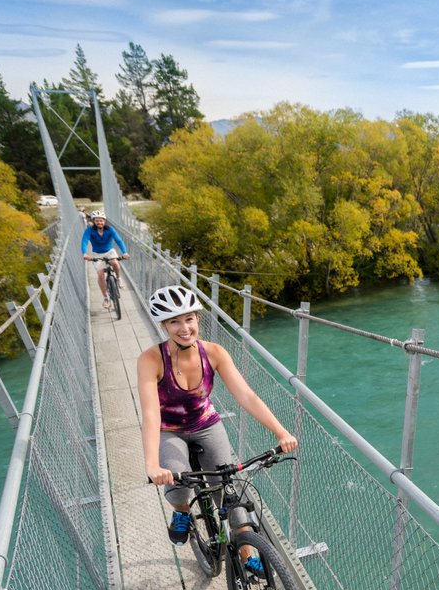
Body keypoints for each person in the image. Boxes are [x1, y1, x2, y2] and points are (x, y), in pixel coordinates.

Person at [138, 284, 298, 570]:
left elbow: (246, 396)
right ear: (164, 325)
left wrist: (281, 431)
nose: (184, 328)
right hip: (169, 429)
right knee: (179, 485)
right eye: (174, 321)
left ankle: (248, 552)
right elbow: (151, 414)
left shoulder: (214, 353)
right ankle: (181, 511)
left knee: (230, 490)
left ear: (198, 319)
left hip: (205, 423)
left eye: (189, 318)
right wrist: (152, 464)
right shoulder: (151, 360)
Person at [82, 211, 129, 311]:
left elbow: (118, 240)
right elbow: (85, 241)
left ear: (104, 221)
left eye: (101, 220)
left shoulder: (110, 229)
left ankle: (118, 278)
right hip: (97, 254)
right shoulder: (89, 230)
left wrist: (124, 252)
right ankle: (106, 297)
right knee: (100, 274)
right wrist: (85, 253)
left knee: (115, 262)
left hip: (109, 251)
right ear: (93, 221)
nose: (99, 222)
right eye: (97, 221)